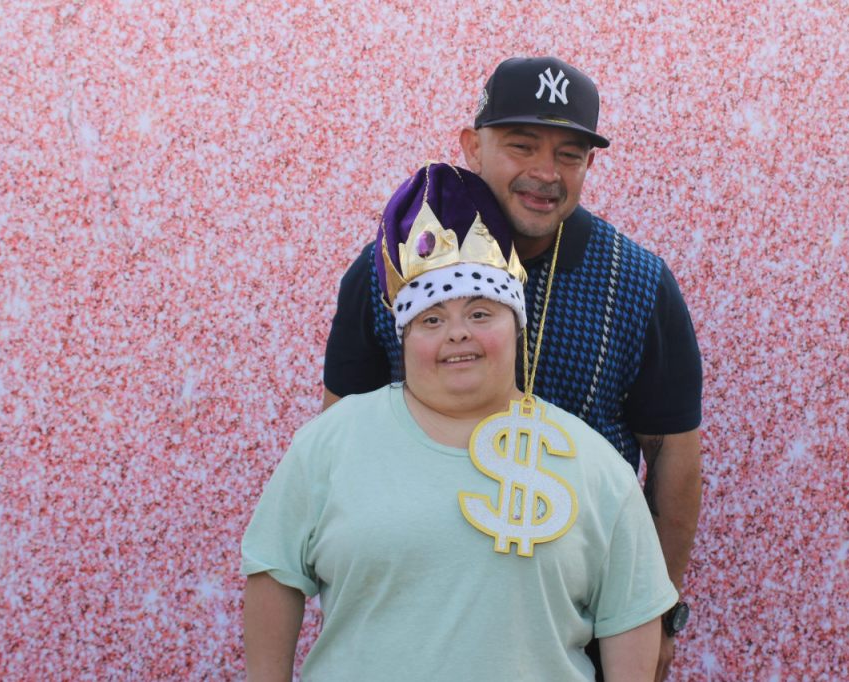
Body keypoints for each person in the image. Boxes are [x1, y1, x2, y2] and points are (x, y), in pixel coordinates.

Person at [323, 56, 702, 678]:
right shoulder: (388, 269)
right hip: (412, 614)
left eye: (569, 155)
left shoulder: (639, 282)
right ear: (473, 147)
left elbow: (673, 455)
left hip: (575, 625)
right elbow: (340, 439)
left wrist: (658, 612)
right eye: (522, 146)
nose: (545, 173)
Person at [242, 163, 677, 681]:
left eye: (480, 313)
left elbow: (631, 617)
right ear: (405, 337)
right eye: (431, 319)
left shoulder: (595, 466)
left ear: (516, 324)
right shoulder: (331, 443)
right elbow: (274, 574)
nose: (457, 334)